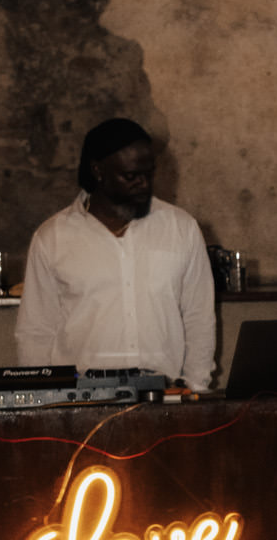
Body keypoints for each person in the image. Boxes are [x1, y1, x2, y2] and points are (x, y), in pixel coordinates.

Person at [15, 118, 216, 391]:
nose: (144, 184)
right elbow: (36, 331)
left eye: (149, 174)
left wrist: (194, 386)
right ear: (98, 171)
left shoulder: (181, 228)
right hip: (80, 399)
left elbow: (199, 317)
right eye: (131, 176)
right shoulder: (52, 237)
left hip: (164, 396)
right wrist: (43, 397)